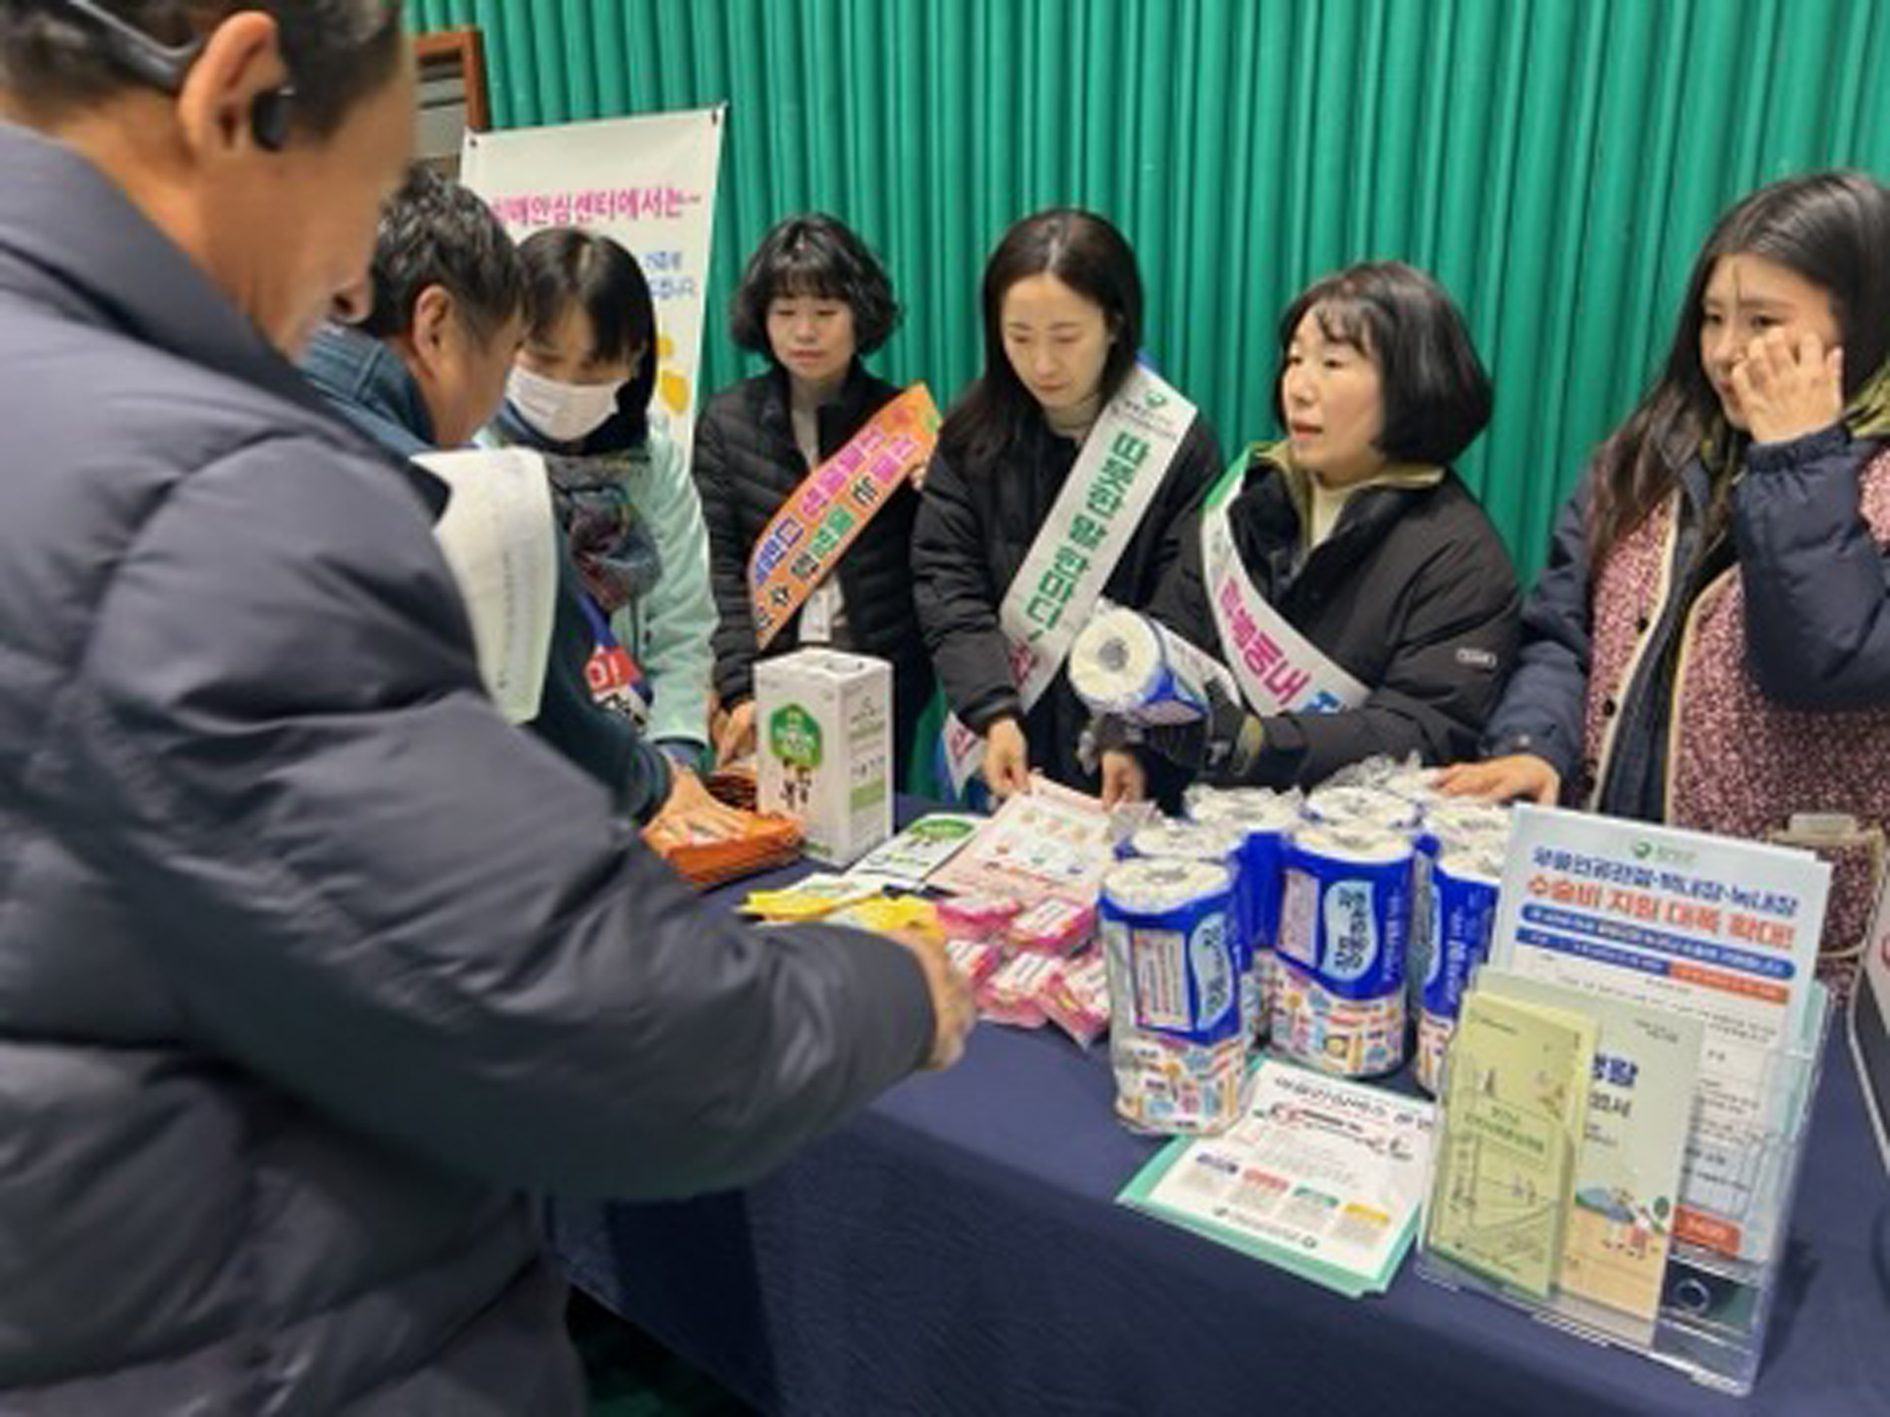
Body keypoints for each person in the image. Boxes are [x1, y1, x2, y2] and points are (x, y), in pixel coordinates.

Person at [0, 6, 969, 1413]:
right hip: (256, 1336)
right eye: (370, 188)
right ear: (242, 97)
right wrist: (890, 989)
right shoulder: (219, 497)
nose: (354, 280)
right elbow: (612, 1032)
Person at [1439, 171, 1890, 958]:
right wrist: (1535, 740)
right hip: (1609, 891)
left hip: (1783, 936)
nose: (1725, 352)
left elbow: (1824, 658)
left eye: (1764, 321)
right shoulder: (1646, 456)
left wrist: (1796, 458)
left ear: (1863, 326)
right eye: (1713, 318)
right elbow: (1562, 632)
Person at [302, 165, 676, 824]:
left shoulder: (218, 397)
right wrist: (660, 779)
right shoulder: (466, 503)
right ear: (436, 325)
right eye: (514, 357)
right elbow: (566, 754)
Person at [1101, 261, 1519, 801]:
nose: (1298, 386)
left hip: (1345, 859)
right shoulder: (1248, 497)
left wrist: (1256, 743)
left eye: (1333, 362)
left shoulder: (1462, 559)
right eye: (1295, 359)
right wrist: (1126, 732)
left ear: (1415, 380)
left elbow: (1421, 732)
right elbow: (1175, 630)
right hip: (1201, 838)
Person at [912, 207, 1223, 799]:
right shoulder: (971, 432)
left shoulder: (1174, 440)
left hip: (1127, 754)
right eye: (1019, 338)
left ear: (1114, 323)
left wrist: (1128, 732)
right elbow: (946, 581)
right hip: (1006, 741)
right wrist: (993, 712)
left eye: (1067, 337)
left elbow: (1184, 602)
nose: (1043, 364)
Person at [484, 226, 725, 812]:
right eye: (542, 358)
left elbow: (684, 631)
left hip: (647, 770)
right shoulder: (469, 459)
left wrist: (674, 762)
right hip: (516, 786)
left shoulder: (654, 460)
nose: (565, 387)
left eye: (593, 368)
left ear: (634, 358)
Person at [693, 214, 935, 783]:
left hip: (878, 683)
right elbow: (718, 566)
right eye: (785, 312)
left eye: (825, 313)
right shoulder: (727, 422)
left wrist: (941, 487)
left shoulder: (903, 423)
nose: (804, 332)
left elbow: (936, 565)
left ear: (860, 317)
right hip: (770, 680)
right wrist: (736, 686)